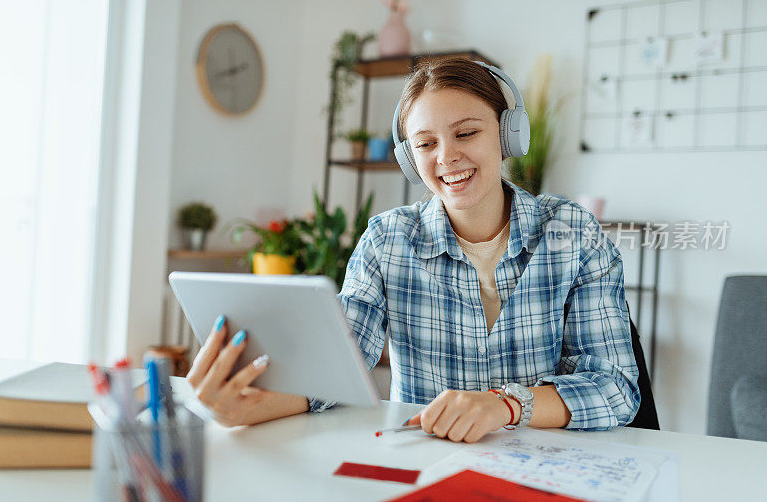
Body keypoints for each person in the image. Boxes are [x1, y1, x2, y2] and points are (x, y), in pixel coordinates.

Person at [186, 58, 640, 442]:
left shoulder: (571, 233)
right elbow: (339, 370)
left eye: (466, 134)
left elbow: (615, 388)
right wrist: (239, 408)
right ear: (409, 158)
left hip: (542, 466)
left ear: (507, 136)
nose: (446, 157)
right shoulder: (387, 241)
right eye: (426, 144)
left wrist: (505, 406)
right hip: (427, 464)